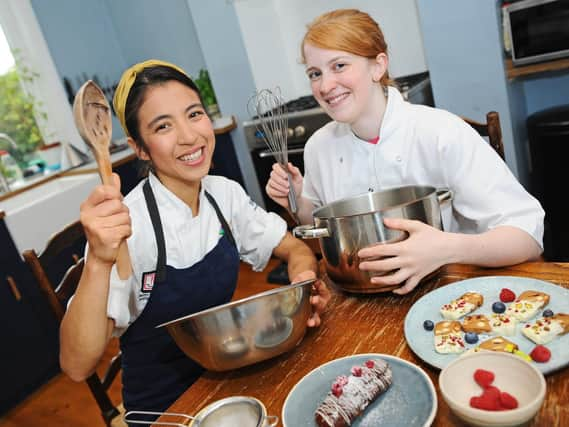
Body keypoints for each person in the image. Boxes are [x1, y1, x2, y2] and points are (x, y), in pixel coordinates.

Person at [59, 59, 330, 418]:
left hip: (228, 378)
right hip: (165, 408)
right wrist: (97, 260)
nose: (189, 136)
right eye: (163, 126)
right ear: (140, 148)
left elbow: (293, 248)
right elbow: (76, 364)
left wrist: (302, 286)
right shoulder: (129, 225)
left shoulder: (223, 194)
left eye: (194, 114)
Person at [266, 9, 544, 294]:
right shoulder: (318, 147)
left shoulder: (440, 132)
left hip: (452, 289)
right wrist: (296, 200)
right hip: (361, 294)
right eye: (315, 73)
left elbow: (527, 236)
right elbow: (317, 229)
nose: (325, 86)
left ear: (378, 66)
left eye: (339, 66)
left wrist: (447, 248)